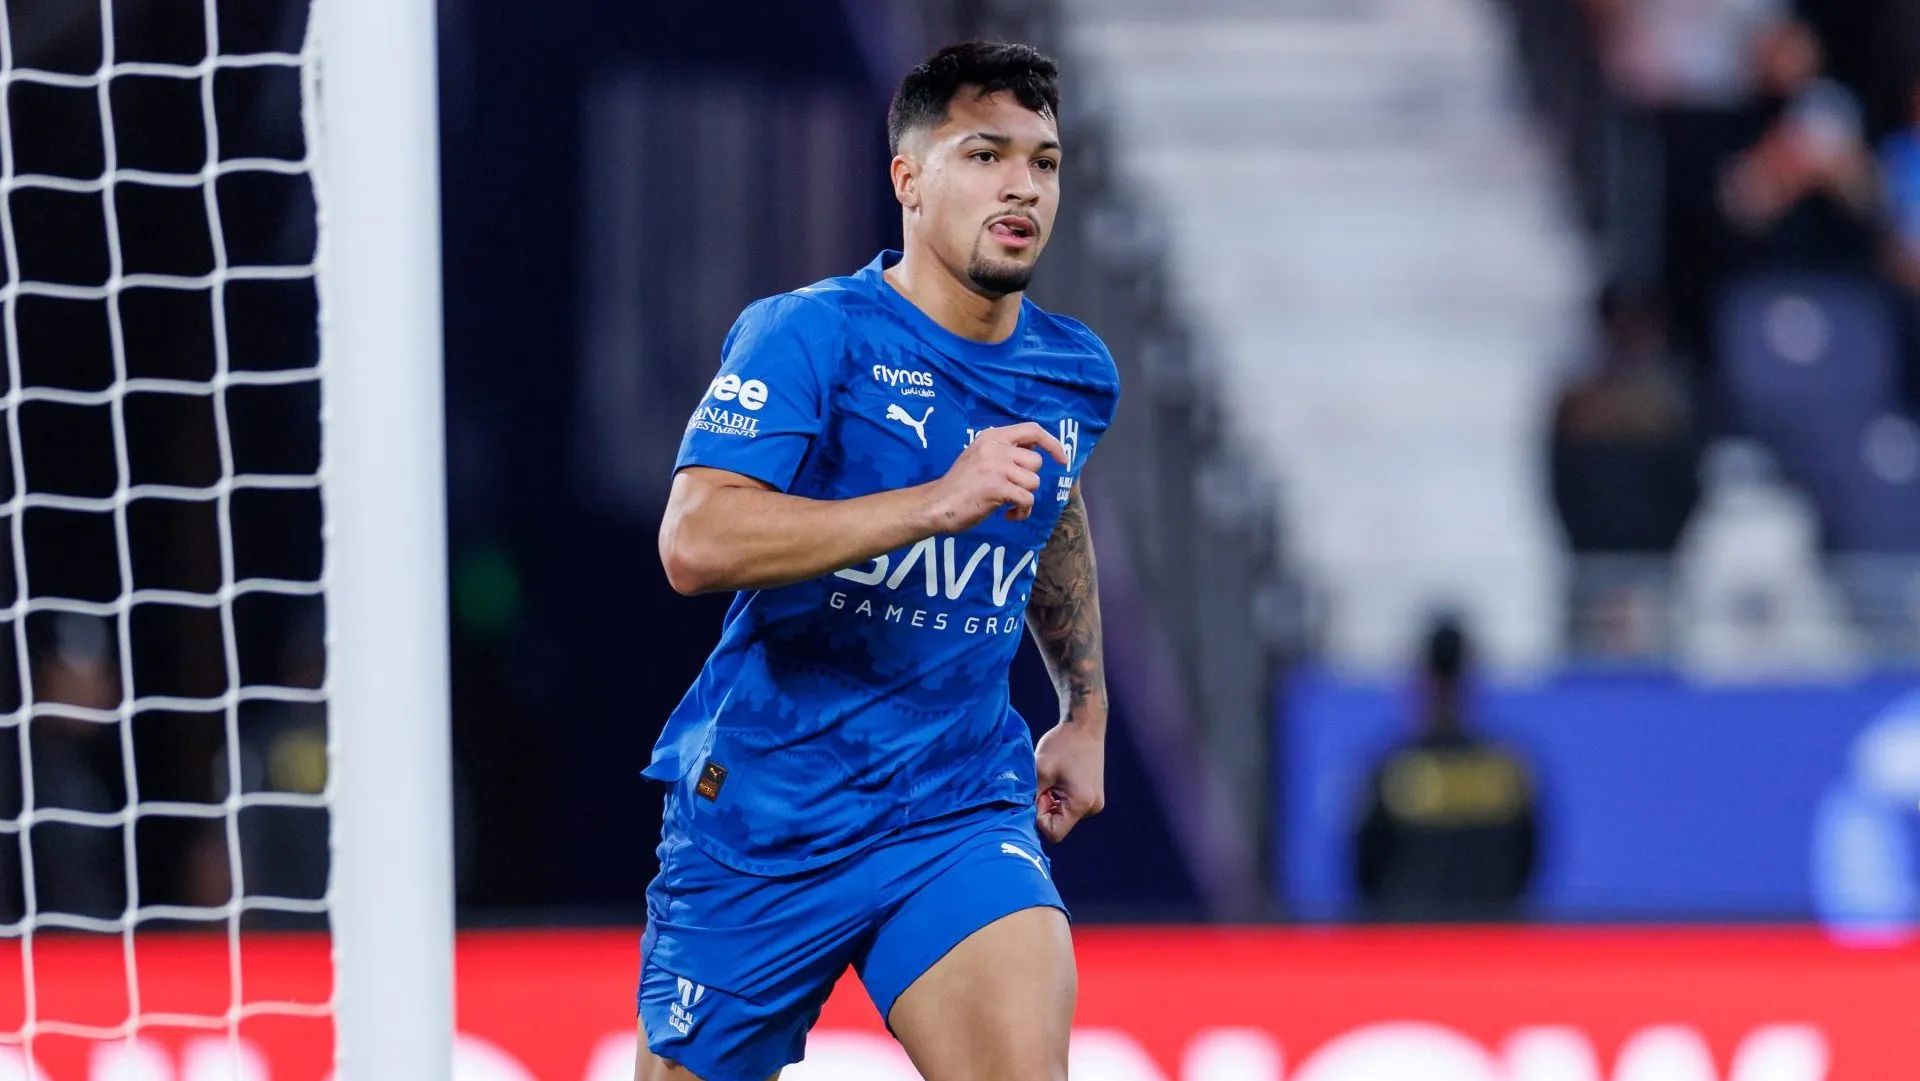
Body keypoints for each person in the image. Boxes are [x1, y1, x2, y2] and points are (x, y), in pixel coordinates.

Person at [635, 41, 1119, 1081]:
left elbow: (1053, 501)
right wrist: (933, 503)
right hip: (767, 810)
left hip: (953, 805)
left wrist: (1083, 707)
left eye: (1044, 161)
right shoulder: (809, 336)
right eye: (986, 154)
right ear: (908, 178)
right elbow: (696, 538)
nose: (1022, 186)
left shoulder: (1072, 369)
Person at [1354, 615, 1539, 922]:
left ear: (1421, 681)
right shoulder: (1505, 768)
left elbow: (1367, 866)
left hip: (1413, 941)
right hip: (1487, 941)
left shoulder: (1395, 766)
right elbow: (1527, 859)